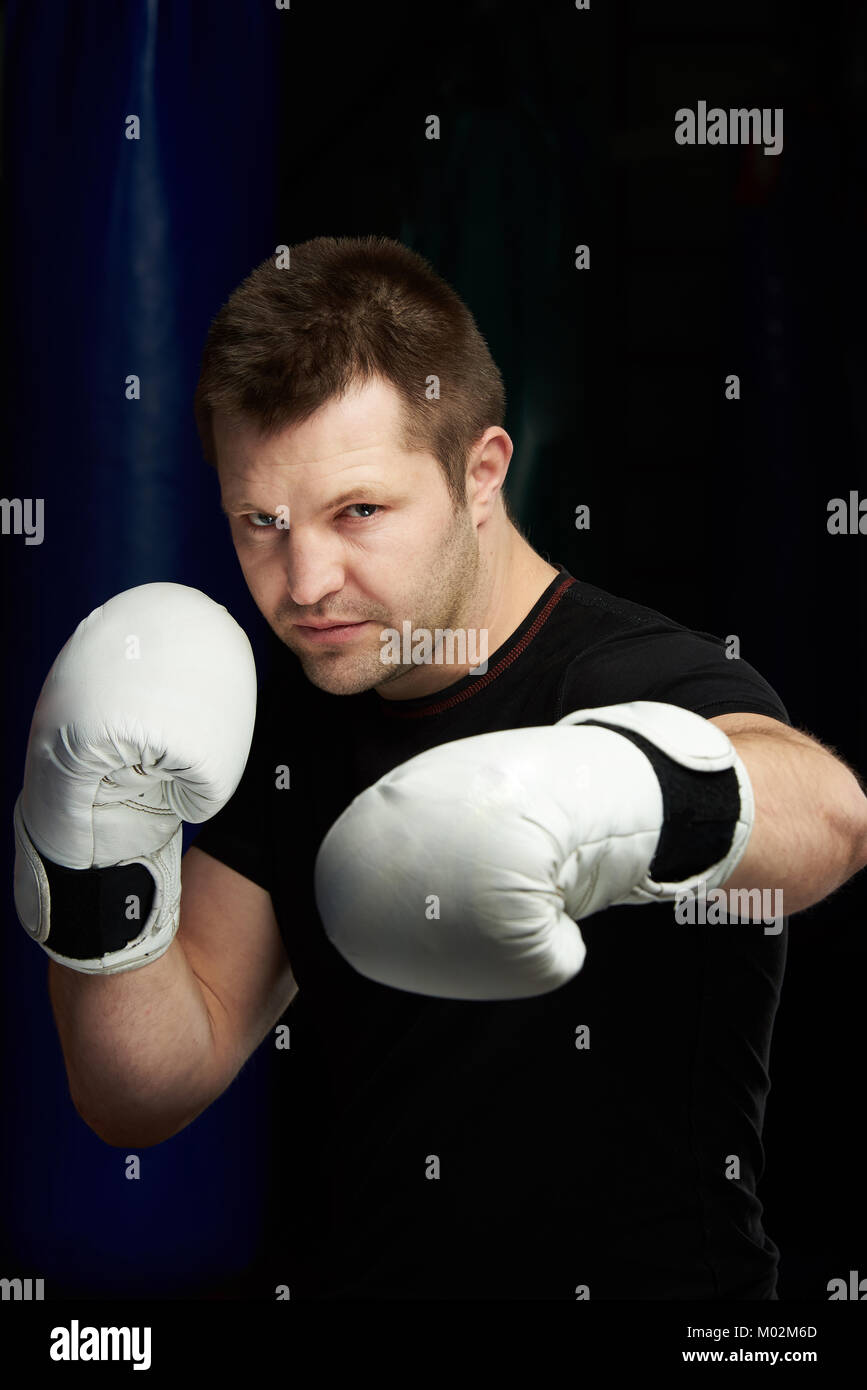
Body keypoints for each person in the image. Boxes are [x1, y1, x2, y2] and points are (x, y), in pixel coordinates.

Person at [16, 236, 867, 1300]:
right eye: (259, 523)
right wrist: (93, 851)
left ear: (481, 474)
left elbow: (830, 816)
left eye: (358, 512)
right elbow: (140, 1090)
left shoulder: (637, 676)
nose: (306, 580)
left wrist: (599, 797)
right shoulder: (288, 721)